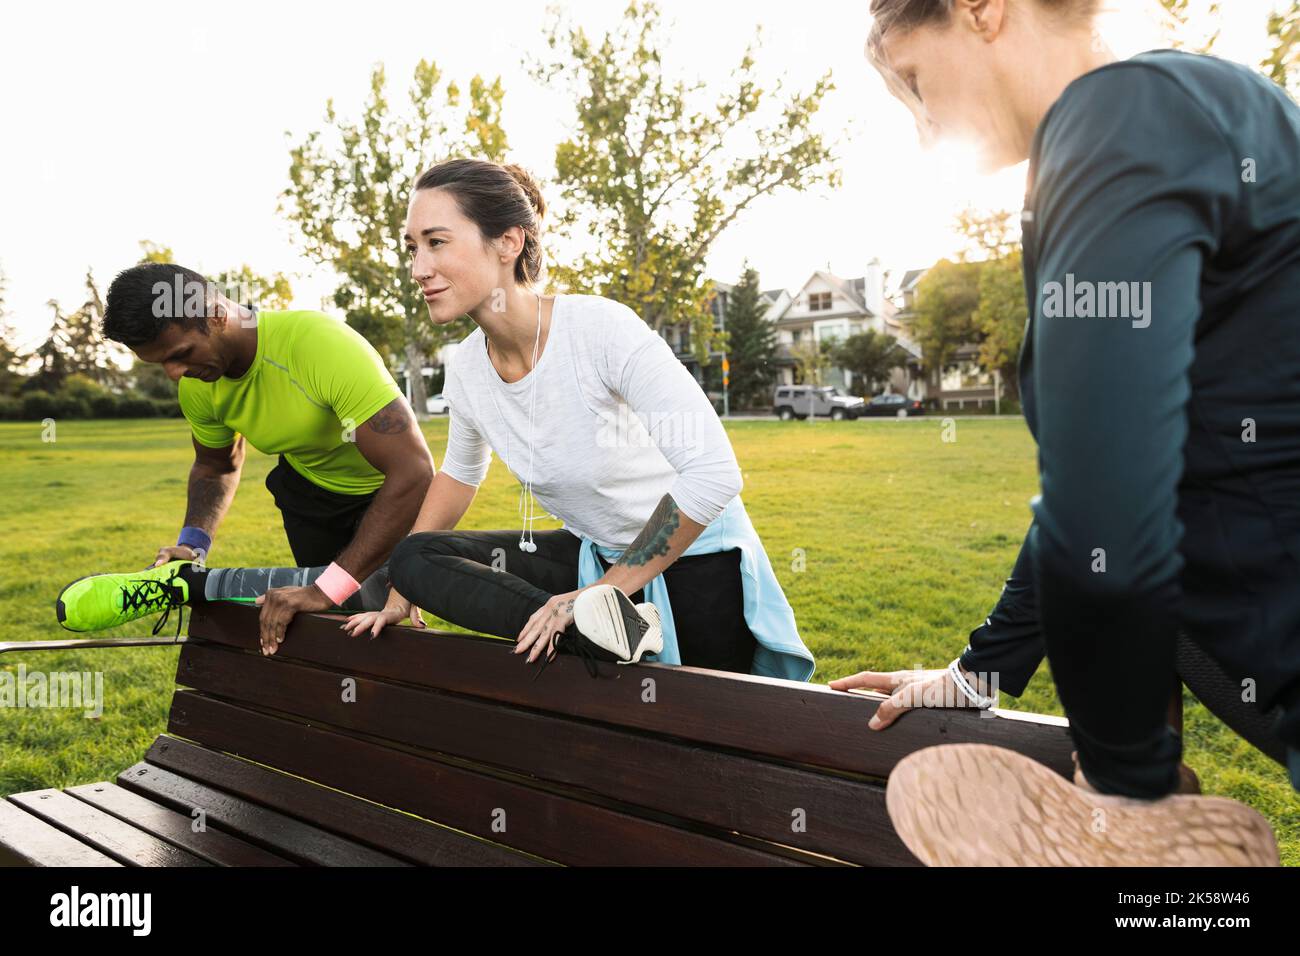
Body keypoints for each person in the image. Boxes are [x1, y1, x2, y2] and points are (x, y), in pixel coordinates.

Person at [836, 0, 1300, 866]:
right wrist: (982, 675)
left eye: (914, 82)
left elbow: (1105, 517)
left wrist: (1120, 796)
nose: (923, 129)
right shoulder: (1135, 136)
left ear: (981, 11)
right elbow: (1099, 496)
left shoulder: (1123, 116)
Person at [341, 158, 816, 680]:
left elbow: (714, 473)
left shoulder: (600, 330)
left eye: (436, 242)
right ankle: (604, 633)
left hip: (696, 561)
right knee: (414, 558)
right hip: (595, 556)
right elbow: (459, 474)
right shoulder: (468, 367)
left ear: (508, 243)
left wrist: (599, 594)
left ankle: (600, 624)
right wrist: (402, 594)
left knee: (693, 741)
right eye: (412, 247)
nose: (418, 269)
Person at [66, 265, 434, 650]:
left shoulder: (318, 345)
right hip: (309, 497)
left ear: (217, 315)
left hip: (389, 492)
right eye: (161, 364)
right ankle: (185, 580)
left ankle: (187, 588)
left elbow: (413, 471)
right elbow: (215, 465)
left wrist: (329, 587)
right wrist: (193, 545)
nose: (175, 374)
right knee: (328, 624)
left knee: (369, 601)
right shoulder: (199, 383)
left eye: (181, 354)